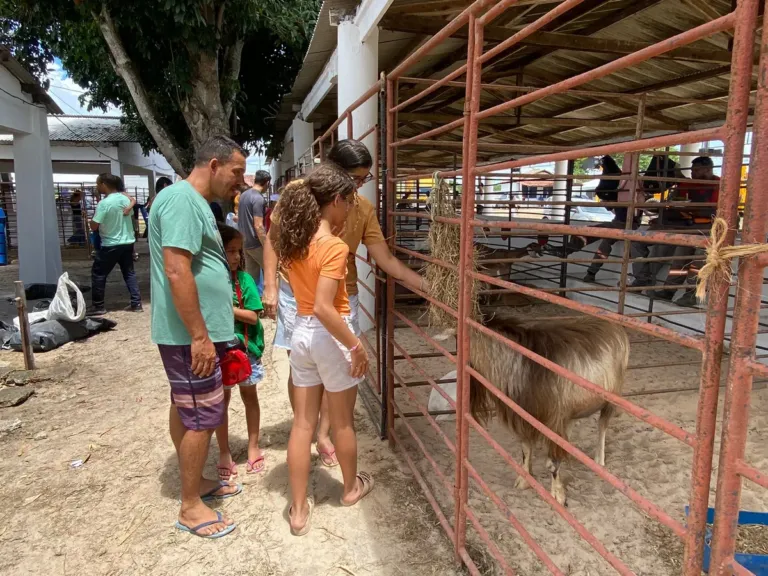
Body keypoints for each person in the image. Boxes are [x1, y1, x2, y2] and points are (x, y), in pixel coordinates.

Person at [263, 139, 427, 468]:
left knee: (333, 371)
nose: (360, 186)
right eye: (355, 179)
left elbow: (385, 259)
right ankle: (305, 426)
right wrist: (269, 285)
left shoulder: (362, 209)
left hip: (341, 296)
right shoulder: (298, 193)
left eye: (364, 180)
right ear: (334, 173)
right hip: (298, 294)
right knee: (303, 368)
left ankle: (321, 434)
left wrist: (426, 285)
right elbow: (273, 239)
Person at [149, 135, 246, 539]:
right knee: (203, 415)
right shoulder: (181, 201)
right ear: (213, 164)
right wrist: (199, 337)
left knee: (190, 407)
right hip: (191, 335)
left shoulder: (199, 206)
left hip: (200, 332)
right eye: (236, 172)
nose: (240, 181)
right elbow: (176, 270)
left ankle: (195, 483)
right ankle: (190, 506)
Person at [274, 163, 375, 536]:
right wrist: (356, 346)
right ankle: (350, 489)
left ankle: (298, 510)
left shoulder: (294, 242)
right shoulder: (332, 246)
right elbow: (324, 306)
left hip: (300, 334)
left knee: (302, 424)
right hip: (329, 334)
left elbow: (309, 307)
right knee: (343, 421)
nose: (350, 210)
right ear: (335, 201)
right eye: (348, 202)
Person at [631, 156, 720, 307]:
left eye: (697, 170)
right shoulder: (687, 184)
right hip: (689, 226)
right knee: (679, 254)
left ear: (708, 170)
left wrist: (688, 208)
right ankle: (667, 290)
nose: (693, 173)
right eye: (692, 170)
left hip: (710, 227)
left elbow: (715, 210)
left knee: (699, 256)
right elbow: (675, 205)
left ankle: (693, 293)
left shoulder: (719, 184)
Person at [214, 224, 266, 480]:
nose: (235, 257)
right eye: (229, 251)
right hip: (218, 353)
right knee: (220, 402)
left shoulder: (244, 280)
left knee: (249, 397)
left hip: (246, 352)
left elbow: (254, 317)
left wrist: (226, 308)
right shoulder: (211, 281)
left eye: (238, 251)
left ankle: (253, 445)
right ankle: (224, 451)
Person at [89, 173, 142, 315]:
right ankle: (136, 303)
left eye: (98, 184)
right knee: (129, 273)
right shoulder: (126, 200)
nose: (97, 187)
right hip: (127, 242)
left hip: (110, 244)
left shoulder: (104, 204)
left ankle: (98, 306)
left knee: (98, 274)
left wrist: (89, 221)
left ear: (104, 184)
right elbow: (130, 217)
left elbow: (94, 226)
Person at [238, 170, 271, 284]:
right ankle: (275, 300)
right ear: (267, 183)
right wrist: (268, 246)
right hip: (256, 244)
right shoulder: (258, 199)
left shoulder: (244, 195)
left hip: (245, 242)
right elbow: (258, 226)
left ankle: (251, 301)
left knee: (251, 279)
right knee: (274, 271)